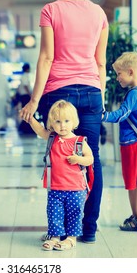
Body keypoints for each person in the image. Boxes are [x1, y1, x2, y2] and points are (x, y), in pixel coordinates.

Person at [19, 0, 108, 244]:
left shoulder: (51, 10)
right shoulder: (99, 12)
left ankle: (60, 227)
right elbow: (100, 62)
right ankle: (87, 229)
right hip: (92, 92)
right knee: (93, 158)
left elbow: (47, 57)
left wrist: (34, 100)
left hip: (59, 90)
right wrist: (100, 97)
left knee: (59, 152)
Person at [29, 100, 93, 250]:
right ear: (52, 123)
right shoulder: (52, 138)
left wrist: (78, 159)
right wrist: (30, 118)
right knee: (54, 214)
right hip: (55, 187)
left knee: (74, 214)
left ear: (74, 122)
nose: (62, 125)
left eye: (66, 121)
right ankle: (55, 237)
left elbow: (90, 159)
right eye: (57, 122)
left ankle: (71, 239)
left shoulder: (79, 141)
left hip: (76, 189)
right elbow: (39, 130)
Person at [102, 52, 137, 232]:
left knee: (132, 183)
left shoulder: (134, 94)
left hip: (132, 144)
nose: (117, 78)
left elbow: (121, 114)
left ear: (131, 72)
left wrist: (103, 115)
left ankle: (135, 218)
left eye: (119, 74)